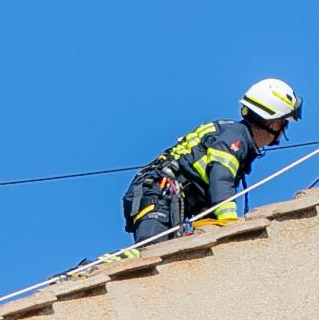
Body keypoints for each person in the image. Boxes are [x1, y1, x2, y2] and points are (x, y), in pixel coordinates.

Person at [121, 79, 303, 244]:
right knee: (151, 253)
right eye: (284, 124)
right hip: (158, 193)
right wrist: (233, 227)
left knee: (166, 254)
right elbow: (220, 181)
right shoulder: (235, 138)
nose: (283, 131)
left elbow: (208, 194)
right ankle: (95, 269)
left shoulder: (234, 135)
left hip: (161, 194)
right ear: (274, 123)